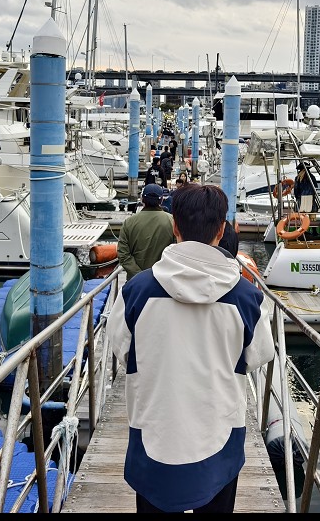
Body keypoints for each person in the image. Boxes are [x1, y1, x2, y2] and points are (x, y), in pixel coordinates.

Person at [108, 184, 275, 513]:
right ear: (221, 229)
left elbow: (122, 349)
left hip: (155, 431)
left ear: (175, 227)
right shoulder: (247, 298)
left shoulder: (136, 292)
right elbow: (258, 355)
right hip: (219, 433)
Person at [116, 184, 176, 279]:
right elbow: (177, 251)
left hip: (136, 282)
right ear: (161, 200)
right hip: (163, 281)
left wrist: (139, 275)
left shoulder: (129, 222)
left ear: (142, 199)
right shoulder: (172, 221)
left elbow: (123, 254)